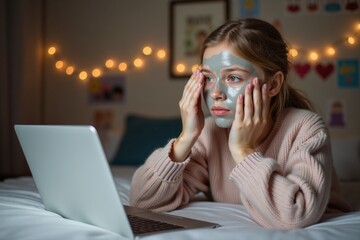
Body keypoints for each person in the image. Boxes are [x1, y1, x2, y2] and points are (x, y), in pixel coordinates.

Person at [130, 18, 351, 229]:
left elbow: (295, 215)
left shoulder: (306, 128)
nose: (215, 92)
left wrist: (243, 150)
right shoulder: (210, 133)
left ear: (273, 84)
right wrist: (186, 137)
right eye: (207, 77)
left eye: (233, 77)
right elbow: (143, 201)